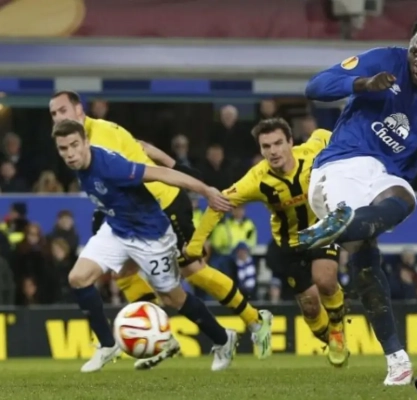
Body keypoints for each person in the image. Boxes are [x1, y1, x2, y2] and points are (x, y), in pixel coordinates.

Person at [296, 15, 417, 385]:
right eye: (415, 52)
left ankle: (397, 359)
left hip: (384, 177)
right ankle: (345, 224)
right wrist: (362, 83)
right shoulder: (385, 59)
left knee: (401, 205)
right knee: (366, 250)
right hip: (343, 163)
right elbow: (315, 87)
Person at [49, 91, 273, 368]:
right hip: (125, 219)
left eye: (62, 111)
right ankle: (155, 337)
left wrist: (194, 181)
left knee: (192, 273)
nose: (57, 117)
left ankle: (253, 320)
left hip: (162, 207)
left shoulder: (100, 141)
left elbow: (144, 169)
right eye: (53, 114)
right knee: (120, 274)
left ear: (78, 110)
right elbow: (142, 147)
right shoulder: (78, 139)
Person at [185, 119, 350, 367]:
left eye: (278, 143)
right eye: (266, 146)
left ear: (291, 142)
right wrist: (195, 245)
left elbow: (326, 133)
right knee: (311, 308)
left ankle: (337, 329)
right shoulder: (257, 179)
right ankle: (329, 339)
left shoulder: (312, 152)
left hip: (321, 230)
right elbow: (219, 203)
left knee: (325, 279)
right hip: (289, 245)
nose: (273, 151)